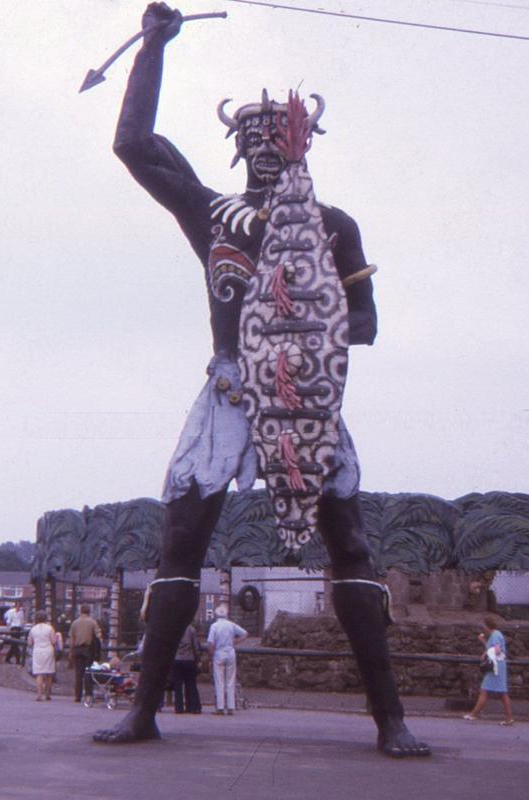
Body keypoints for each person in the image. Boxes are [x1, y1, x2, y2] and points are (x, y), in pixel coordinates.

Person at [93, 3, 430, 758]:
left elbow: (363, 321)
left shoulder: (330, 225)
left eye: (275, 143)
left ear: (299, 145)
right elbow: (134, 144)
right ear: (239, 150)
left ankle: (391, 719)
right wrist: (153, 48)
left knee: (345, 536)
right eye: (253, 145)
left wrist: (305, 324)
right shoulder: (211, 215)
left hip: (302, 400)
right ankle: (143, 709)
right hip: (226, 392)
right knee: (180, 538)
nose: (263, 156)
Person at [464, 616, 514, 726]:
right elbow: (493, 648)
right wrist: (484, 641)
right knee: (502, 693)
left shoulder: (495, 635)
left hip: (495, 667)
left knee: (484, 690)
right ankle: (509, 718)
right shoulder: (496, 634)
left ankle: (474, 714)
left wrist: (486, 653)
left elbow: (497, 650)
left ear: (487, 626)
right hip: (499, 666)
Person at [207, 607, 247, 715]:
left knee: (219, 681)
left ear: (216, 615)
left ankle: (220, 707)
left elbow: (210, 643)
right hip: (230, 652)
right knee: (230, 680)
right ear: (226, 614)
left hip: (219, 653)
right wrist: (235, 641)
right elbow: (244, 634)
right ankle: (230, 707)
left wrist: (211, 656)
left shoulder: (214, 626)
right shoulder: (231, 625)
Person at [68, 604, 102, 703]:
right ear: (89, 611)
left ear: (80, 611)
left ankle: (77, 696)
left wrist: (71, 651)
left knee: (78, 673)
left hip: (77, 649)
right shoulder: (93, 622)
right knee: (88, 673)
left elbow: (71, 638)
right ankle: (88, 694)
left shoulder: (75, 623)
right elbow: (98, 635)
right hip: (88, 650)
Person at [171, 620, 201, 714]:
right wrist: (198, 659)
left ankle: (179, 707)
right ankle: (192, 707)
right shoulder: (191, 629)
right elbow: (195, 646)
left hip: (177, 659)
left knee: (178, 685)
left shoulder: (174, 629)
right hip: (189, 659)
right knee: (191, 683)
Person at [28, 611, 57, 701]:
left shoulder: (33, 629)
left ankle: (39, 694)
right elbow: (53, 641)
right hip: (48, 650)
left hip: (37, 650)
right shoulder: (50, 628)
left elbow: (30, 642)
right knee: (48, 673)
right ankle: (47, 694)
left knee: (39, 673)